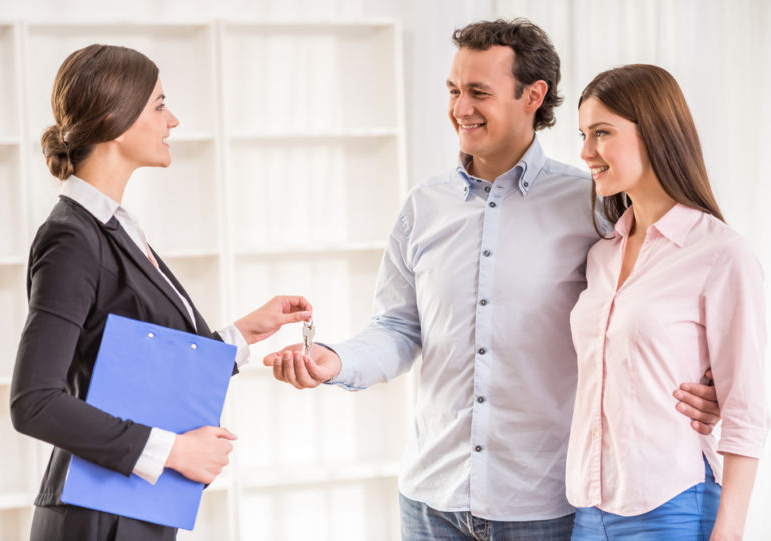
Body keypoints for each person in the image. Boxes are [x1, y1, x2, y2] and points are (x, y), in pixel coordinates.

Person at [264, 19, 721, 541]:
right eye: (454, 91)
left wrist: (705, 387)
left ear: (533, 95)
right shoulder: (423, 206)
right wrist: (337, 360)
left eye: (479, 92)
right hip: (430, 502)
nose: (461, 108)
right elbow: (398, 327)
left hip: (543, 504)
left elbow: (657, 301)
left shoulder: (594, 205)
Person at [10, 44, 312, 541]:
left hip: (130, 509)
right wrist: (175, 452)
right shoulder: (72, 238)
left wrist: (244, 333)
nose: (172, 119)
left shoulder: (112, 227)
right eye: (159, 104)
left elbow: (141, 366)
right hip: (98, 519)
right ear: (115, 117)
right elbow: (34, 401)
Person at [568, 64, 768, 540]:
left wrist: (730, 532)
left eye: (601, 133)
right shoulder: (600, 256)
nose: (585, 152)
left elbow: (746, 408)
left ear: (654, 133)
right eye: (583, 134)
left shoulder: (719, 253)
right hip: (588, 508)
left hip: (671, 508)